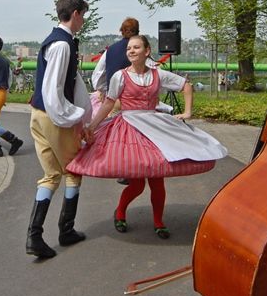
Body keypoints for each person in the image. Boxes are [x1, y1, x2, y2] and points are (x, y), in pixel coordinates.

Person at [69, 35, 226, 238]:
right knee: (137, 183)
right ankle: (120, 212)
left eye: (136, 47)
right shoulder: (120, 76)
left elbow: (186, 85)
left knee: (157, 180)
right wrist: (92, 125)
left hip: (155, 127)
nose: (131, 51)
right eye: (129, 48)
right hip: (129, 128)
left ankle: (159, 221)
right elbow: (109, 103)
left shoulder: (158, 75)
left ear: (147, 51)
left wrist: (187, 113)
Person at [25, 0, 92, 260]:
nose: (83, 21)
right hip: (55, 117)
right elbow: (54, 89)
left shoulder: (55, 41)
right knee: (74, 170)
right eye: (83, 15)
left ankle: (35, 237)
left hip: (39, 115)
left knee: (52, 174)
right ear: (75, 14)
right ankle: (66, 229)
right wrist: (75, 118)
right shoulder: (63, 45)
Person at [90, 17, 139, 96]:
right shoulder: (142, 51)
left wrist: (106, 89)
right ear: (138, 32)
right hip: (137, 98)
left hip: (113, 99)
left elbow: (98, 78)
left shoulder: (109, 50)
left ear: (122, 31)